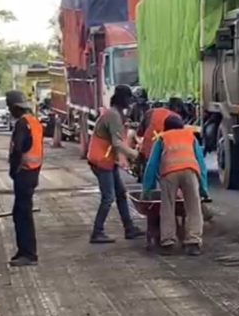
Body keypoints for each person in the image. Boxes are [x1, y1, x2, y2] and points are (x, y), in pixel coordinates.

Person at [142, 115, 209, 256]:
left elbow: (152, 165)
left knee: (167, 207)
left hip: (169, 173)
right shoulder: (190, 137)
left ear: (166, 128)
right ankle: (193, 242)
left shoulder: (162, 137)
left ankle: (168, 242)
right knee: (193, 207)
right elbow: (201, 164)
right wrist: (204, 189)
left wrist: (147, 189)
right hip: (190, 171)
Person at [86, 84, 144, 243]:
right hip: (101, 161)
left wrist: (125, 159)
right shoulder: (113, 116)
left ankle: (129, 228)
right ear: (122, 99)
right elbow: (117, 143)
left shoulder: (116, 114)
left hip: (107, 160)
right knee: (108, 197)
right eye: (129, 99)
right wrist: (135, 155)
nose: (130, 103)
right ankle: (97, 232)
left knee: (120, 194)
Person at [6, 90, 44, 267]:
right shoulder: (34, 122)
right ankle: (24, 251)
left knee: (22, 214)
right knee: (21, 213)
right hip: (33, 173)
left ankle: (28, 254)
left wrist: (13, 170)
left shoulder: (22, 124)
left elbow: (18, 149)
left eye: (9, 108)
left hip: (23, 173)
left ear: (14, 107)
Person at [136, 97, 185, 162]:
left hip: (146, 153)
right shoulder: (177, 119)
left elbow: (139, 133)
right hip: (165, 157)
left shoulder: (151, 112)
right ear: (178, 108)